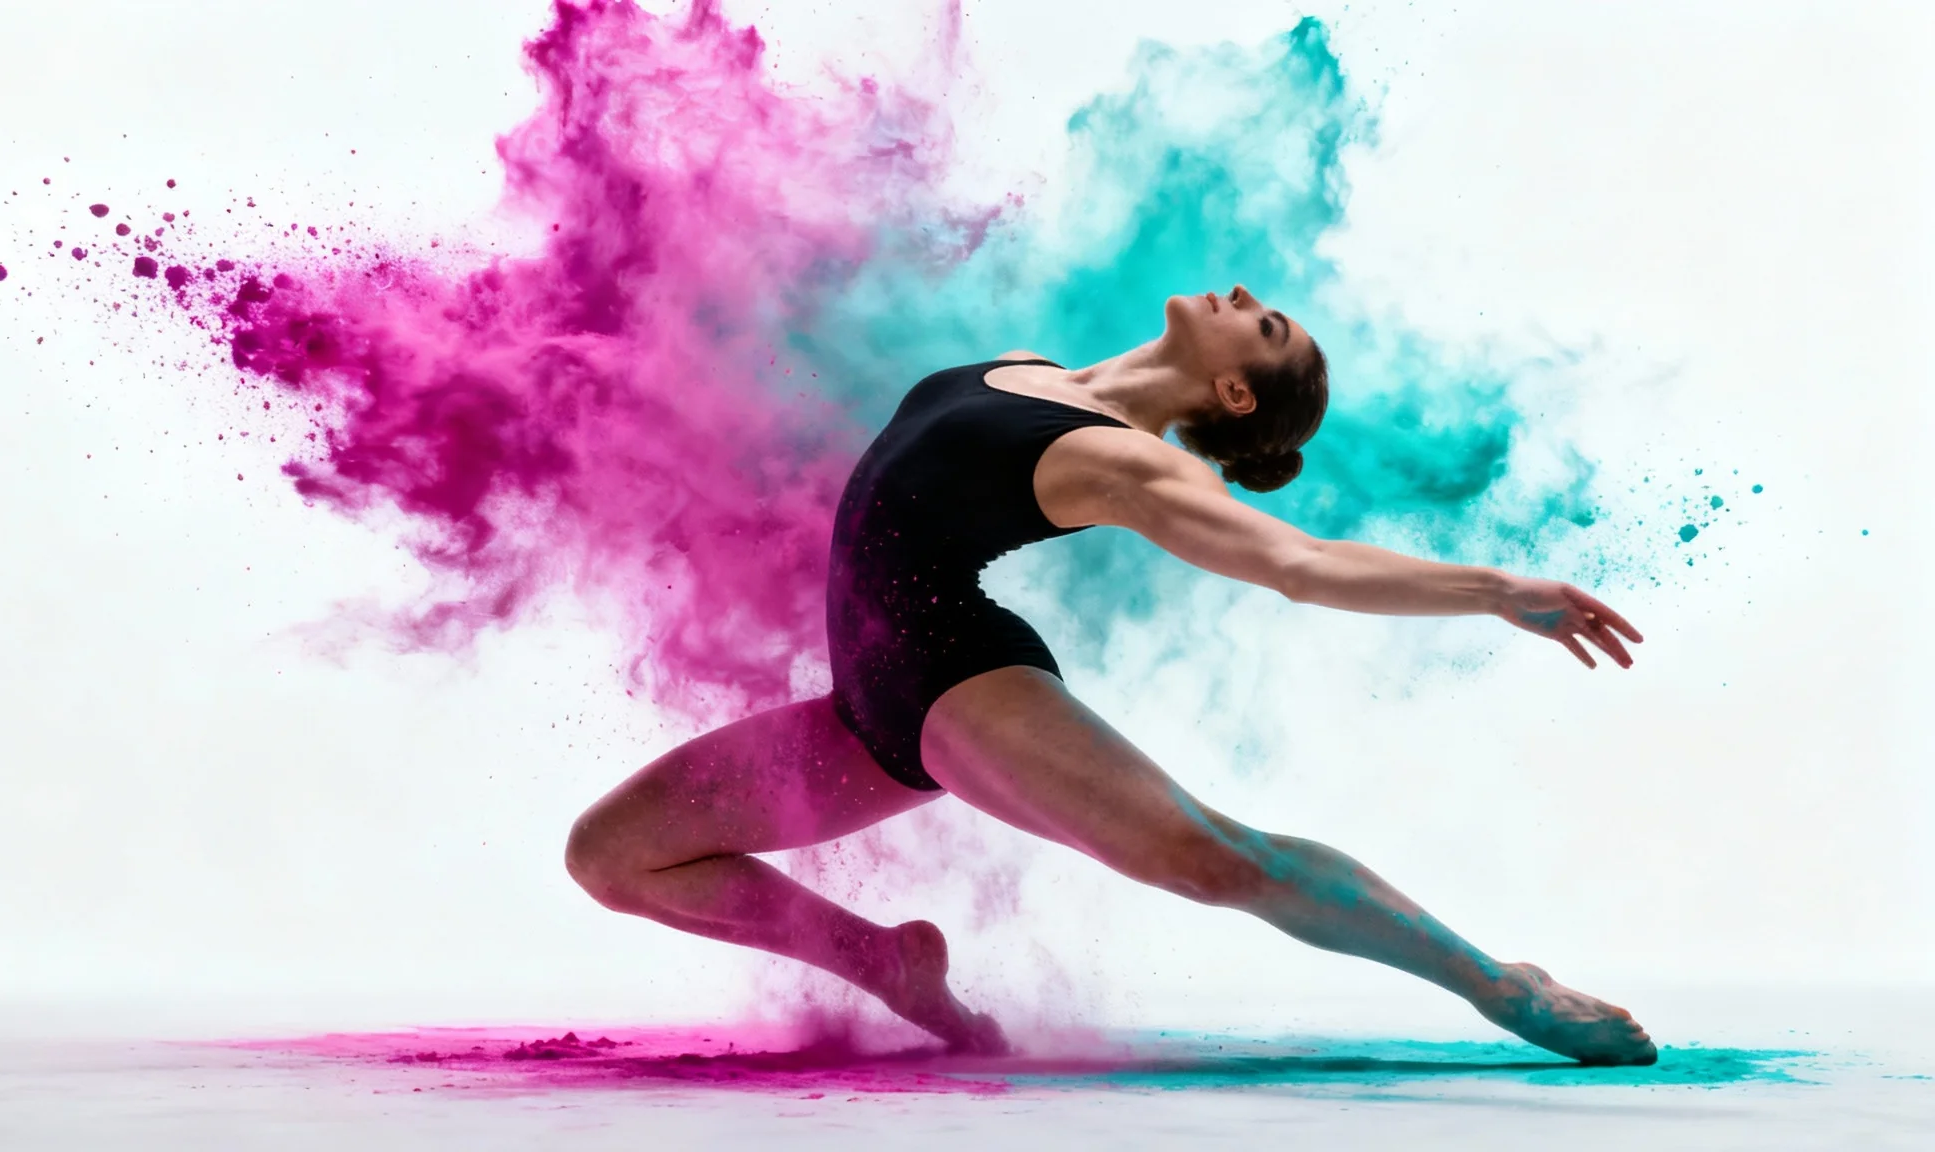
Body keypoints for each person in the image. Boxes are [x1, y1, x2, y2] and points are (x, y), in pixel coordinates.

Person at [565, 284, 1657, 1065]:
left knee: (1212, 859)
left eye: (1263, 322)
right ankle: (885, 966)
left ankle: (1500, 985)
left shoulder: (1132, 461)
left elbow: (1298, 564)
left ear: (1231, 392)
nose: (1238, 293)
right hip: (865, 707)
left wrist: (1494, 588)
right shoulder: (1028, 368)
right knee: (614, 858)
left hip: (959, 679)